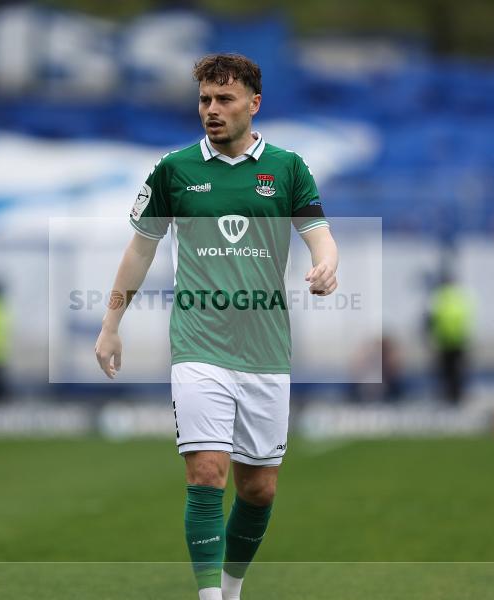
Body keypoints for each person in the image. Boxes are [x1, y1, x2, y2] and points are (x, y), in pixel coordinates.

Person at [94, 54, 338, 600]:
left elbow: (318, 233)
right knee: (207, 472)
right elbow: (139, 251)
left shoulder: (288, 168)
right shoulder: (174, 169)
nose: (211, 109)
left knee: (260, 489)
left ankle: (231, 587)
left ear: (254, 103)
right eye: (205, 99)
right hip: (198, 344)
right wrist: (111, 323)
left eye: (224, 99)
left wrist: (326, 264)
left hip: (266, 350)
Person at [426, 272, 472, 404]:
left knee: (446, 370)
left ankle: (449, 395)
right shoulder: (461, 296)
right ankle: (457, 395)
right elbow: (467, 317)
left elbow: (432, 318)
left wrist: (431, 335)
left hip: (444, 340)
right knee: (458, 370)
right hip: (459, 339)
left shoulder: (438, 297)